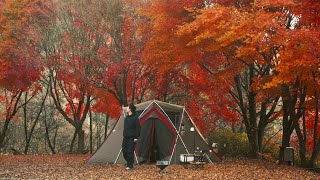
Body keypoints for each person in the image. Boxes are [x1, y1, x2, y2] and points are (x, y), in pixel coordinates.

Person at [122, 104, 140, 170]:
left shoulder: (136, 118)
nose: (126, 108)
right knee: (124, 150)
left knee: (130, 151)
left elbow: (138, 128)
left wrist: (136, 137)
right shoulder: (127, 117)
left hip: (132, 137)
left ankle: (130, 165)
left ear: (130, 109)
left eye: (127, 107)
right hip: (125, 136)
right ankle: (130, 162)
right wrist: (123, 108)